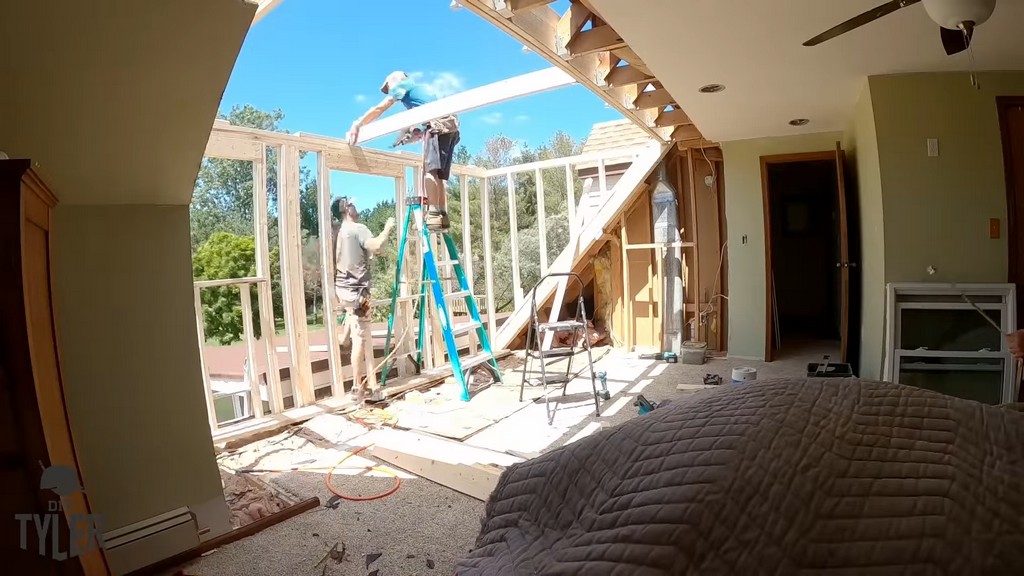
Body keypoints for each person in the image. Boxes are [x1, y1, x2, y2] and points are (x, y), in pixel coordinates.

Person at [346, 70, 460, 231]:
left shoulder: (403, 85)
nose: (389, 90)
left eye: (388, 86)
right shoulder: (421, 91)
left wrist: (358, 123)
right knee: (440, 175)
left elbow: (380, 108)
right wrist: (418, 131)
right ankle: (441, 215)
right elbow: (421, 116)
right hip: (451, 126)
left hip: (438, 124)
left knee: (429, 171)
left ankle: (433, 215)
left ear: (396, 80)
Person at [332, 197, 395, 402]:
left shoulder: (338, 231)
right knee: (361, 337)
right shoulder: (358, 228)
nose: (355, 206)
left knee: (352, 315)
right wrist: (387, 228)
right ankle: (357, 386)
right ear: (347, 209)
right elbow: (376, 245)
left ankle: (343, 337)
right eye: (352, 204)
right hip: (358, 293)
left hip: (341, 289)